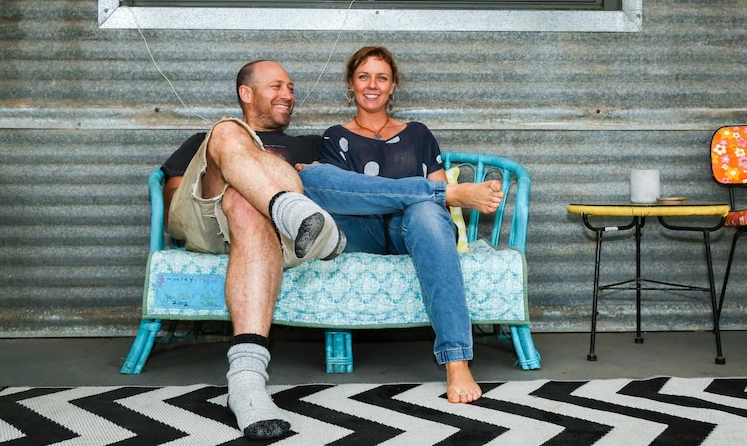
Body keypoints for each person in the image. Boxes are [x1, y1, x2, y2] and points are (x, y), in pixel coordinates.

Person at [163, 59, 502, 438]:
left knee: (300, 182)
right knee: (229, 135)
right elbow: (174, 200)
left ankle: (246, 380)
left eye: (290, 87)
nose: (288, 95)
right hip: (210, 214)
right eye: (277, 86)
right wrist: (244, 175)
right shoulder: (207, 139)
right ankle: (291, 208)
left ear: (394, 87)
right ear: (246, 93)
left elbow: (337, 187)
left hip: (273, 229)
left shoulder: (310, 144)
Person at [314, 45, 486, 404]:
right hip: (363, 230)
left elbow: (433, 210)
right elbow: (347, 196)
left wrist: (420, 200)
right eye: (363, 77)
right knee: (318, 179)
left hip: (413, 231)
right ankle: (441, 194)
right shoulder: (335, 136)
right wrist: (433, 193)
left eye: (381, 77)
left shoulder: (418, 134)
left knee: (426, 211)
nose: (372, 85)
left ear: (393, 86)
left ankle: (457, 361)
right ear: (351, 84)